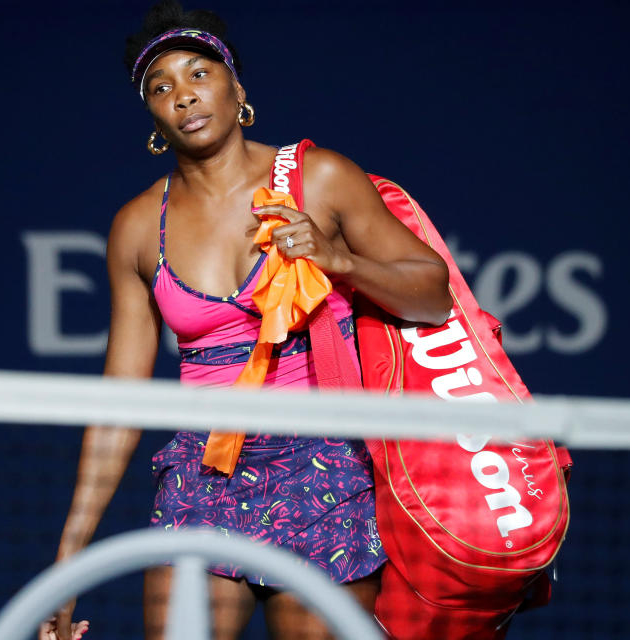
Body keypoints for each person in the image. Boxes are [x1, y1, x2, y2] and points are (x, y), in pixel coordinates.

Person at [42, 2, 452, 639]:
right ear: (151, 116)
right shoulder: (134, 227)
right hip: (202, 480)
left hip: (330, 476)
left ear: (237, 88)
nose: (184, 96)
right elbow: (116, 409)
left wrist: (338, 259)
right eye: (161, 87)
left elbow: (433, 295)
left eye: (199, 74)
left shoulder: (320, 177)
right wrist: (64, 570)